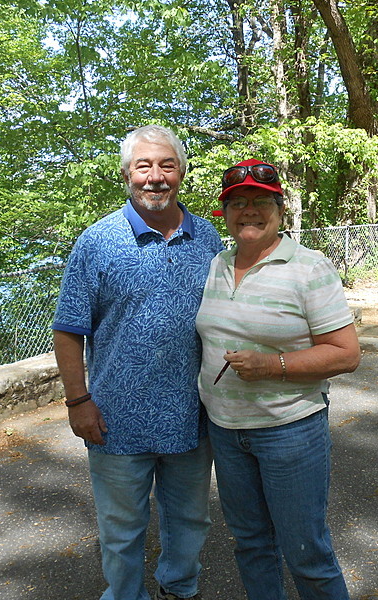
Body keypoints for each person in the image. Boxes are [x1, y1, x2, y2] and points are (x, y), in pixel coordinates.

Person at [52, 125, 225, 600]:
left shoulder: (207, 237)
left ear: (182, 172)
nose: (155, 177)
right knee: (121, 528)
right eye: (144, 166)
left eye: (166, 165)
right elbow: (68, 329)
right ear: (126, 173)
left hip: (194, 417)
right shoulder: (97, 241)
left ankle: (180, 587)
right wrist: (77, 402)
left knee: (190, 519)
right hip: (115, 419)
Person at [195, 159, 361, 600]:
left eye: (261, 202)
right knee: (250, 544)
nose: (249, 211)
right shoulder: (217, 263)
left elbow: (346, 354)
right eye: (238, 203)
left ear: (280, 209)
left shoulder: (309, 267)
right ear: (224, 214)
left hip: (289, 431)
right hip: (227, 431)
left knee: (306, 552)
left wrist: (272, 366)